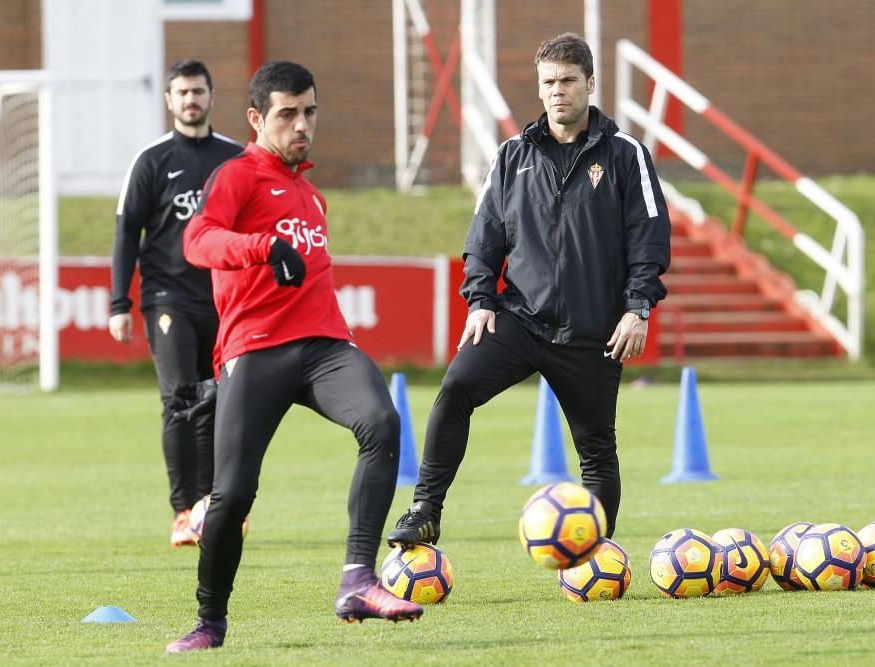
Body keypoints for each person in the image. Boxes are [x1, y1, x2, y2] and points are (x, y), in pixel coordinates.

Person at [165, 61, 422, 654]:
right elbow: (197, 240)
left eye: (309, 111)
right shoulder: (237, 177)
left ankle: (359, 579)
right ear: (256, 118)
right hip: (255, 350)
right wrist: (262, 247)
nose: (301, 124)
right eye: (287, 114)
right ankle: (209, 623)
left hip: (325, 345)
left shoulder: (313, 197)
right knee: (232, 495)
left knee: (382, 423)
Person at [387, 33, 671, 548]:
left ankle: (593, 554)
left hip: (594, 330)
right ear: (539, 90)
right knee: (454, 390)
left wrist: (638, 307)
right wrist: (479, 299)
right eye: (548, 83)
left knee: (596, 451)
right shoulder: (511, 156)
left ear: (590, 83)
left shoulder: (626, 155)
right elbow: (483, 240)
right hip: (518, 319)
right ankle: (425, 511)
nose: (557, 91)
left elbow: (649, 239)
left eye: (567, 81)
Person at [109, 59, 242, 547]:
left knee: (223, 404)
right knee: (180, 400)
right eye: (182, 92)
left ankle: (217, 507)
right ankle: (184, 511)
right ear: (169, 100)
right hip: (167, 298)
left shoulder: (234, 158)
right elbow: (126, 232)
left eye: (198, 91)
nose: (191, 100)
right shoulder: (151, 161)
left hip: (226, 301)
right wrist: (118, 302)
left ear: (211, 96)